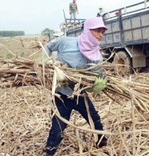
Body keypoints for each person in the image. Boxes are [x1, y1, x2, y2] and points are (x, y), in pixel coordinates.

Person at [42, 17, 108, 156]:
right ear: (88, 30)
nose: (101, 35)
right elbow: (47, 47)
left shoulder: (97, 56)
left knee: (94, 118)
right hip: (62, 93)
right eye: (97, 31)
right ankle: (49, 151)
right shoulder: (65, 42)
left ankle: (102, 142)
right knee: (58, 126)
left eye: (102, 31)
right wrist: (46, 62)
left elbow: (91, 81)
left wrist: (95, 87)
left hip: (80, 94)